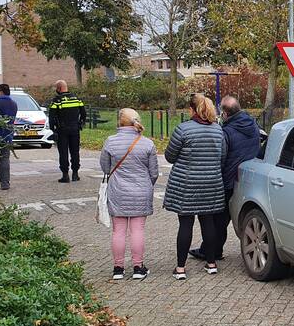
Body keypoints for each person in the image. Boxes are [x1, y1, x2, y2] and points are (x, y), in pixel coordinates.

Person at [190, 96, 260, 262]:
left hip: (228, 179)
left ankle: (212, 251)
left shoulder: (227, 131)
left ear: (225, 114)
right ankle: (211, 249)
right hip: (248, 177)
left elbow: (221, 157)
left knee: (218, 219)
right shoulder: (253, 125)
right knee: (225, 218)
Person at [163, 93, 225, 280]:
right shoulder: (218, 130)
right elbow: (222, 158)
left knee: (186, 223)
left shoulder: (183, 129)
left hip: (187, 184)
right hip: (211, 182)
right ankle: (211, 263)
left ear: (191, 109)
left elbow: (169, 156)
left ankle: (181, 268)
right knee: (208, 222)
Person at [100, 108, 158, 281]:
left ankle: (118, 268)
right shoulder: (147, 143)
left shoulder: (110, 142)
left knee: (118, 231)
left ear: (119, 121)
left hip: (118, 191)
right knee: (137, 230)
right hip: (141, 192)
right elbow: (153, 172)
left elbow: (105, 167)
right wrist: (147, 184)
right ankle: (138, 267)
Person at [47, 79, 86, 183]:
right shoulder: (76, 98)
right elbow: (83, 113)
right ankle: (75, 174)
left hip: (62, 130)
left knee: (63, 152)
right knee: (75, 151)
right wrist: (81, 123)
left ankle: (65, 175)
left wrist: (53, 130)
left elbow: (51, 116)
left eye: (56, 88)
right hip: (75, 129)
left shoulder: (57, 100)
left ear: (59, 88)